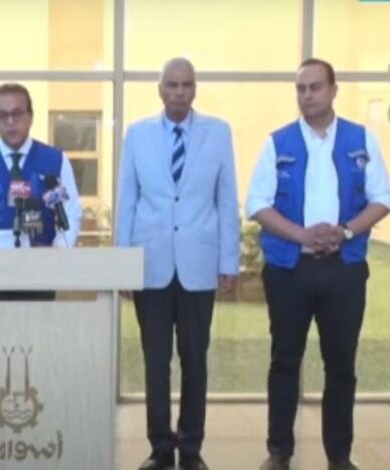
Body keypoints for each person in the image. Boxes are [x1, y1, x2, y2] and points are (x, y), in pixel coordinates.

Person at [248, 58, 390, 470]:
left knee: (341, 365)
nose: (307, 95)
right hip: (290, 270)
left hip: (344, 269)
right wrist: (302, 235)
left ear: (333, 90)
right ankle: (279, 451)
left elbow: (383, 199)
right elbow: (256, 204)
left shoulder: (361, 140)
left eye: (314, 87)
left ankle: (339, 456)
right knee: (284, 362)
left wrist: (344, 232)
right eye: (300, 89)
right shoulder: (277, 143)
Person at [114, 58, 240, 470]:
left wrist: (229, 261)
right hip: (150, 265)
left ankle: (190, 448)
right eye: (172, 85)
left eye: (186, 85)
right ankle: (160, 448)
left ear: (195, 89)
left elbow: (226, 200)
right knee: (155, 362)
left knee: (194, 361)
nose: (179, 92)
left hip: (198, 266)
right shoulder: (138, 135)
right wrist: (122, 263)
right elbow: (127, 201)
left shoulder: (218, 133)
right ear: (160, 89)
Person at [0, 83, 83, 299]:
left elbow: (71, 212)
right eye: (2, 115)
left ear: (30, 116)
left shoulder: (55, 161)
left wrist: (59, 253)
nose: (10, 122)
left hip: (41, 273)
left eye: (17, 113)